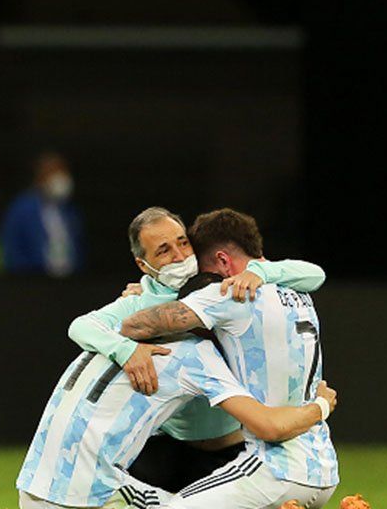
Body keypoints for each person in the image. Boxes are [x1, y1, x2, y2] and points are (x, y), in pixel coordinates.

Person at [109, 208, 387, 509]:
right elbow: (315, 273)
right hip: (322, 467)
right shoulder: (301, 295)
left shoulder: (228, 295)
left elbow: (134, 326)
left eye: (203, 269)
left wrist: (144, 296)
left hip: (272, 467)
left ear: (221, 261)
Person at [0, 289, 339, 509]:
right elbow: (268, 426)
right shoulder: (195, 355)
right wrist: (321, 406)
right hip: (88, 498)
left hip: (31, 493)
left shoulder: (106, 338)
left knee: (168, 490)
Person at [68, 206, 326, 493]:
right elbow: (81, 326)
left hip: (231, 447)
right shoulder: (137, 303)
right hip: (165, 448)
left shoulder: (221, 288)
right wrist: (125, 351)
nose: (180, 256)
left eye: (182, 242)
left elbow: (314, 275)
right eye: (164, 251)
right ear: (144, 265)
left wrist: (261, 271)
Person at [0, 152, 84, 276]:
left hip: (68, 282)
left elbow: (79, 247)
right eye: (54, 172)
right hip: (33, 281)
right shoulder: (22, 209)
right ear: (40, 176)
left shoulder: (70, 211)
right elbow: (12, 250)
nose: (60, 178)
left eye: (63, 172)